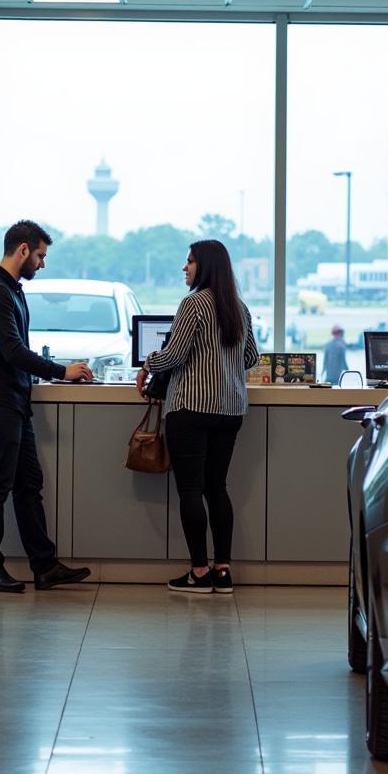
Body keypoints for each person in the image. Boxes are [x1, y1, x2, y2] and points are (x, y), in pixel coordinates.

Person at [0, 220, 92, 593]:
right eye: (40, 255)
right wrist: (61, 371)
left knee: (28, 485)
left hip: (14, 400)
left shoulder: (10, 290)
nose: (42, 263)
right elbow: (13, 351)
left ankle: (44, 565)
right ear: (22, 250)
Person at [136, 239, 259, 594]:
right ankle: (223, 572)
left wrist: (147, 365)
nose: (184, 268)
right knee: (216, 487)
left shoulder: (193, 304)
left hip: (191, 408)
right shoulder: (239, 307)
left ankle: (199, 573)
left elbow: (173, 355)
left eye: (189, 261)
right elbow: (250, 358)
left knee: (190, 488)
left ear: (203, 266)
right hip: (230, 410)